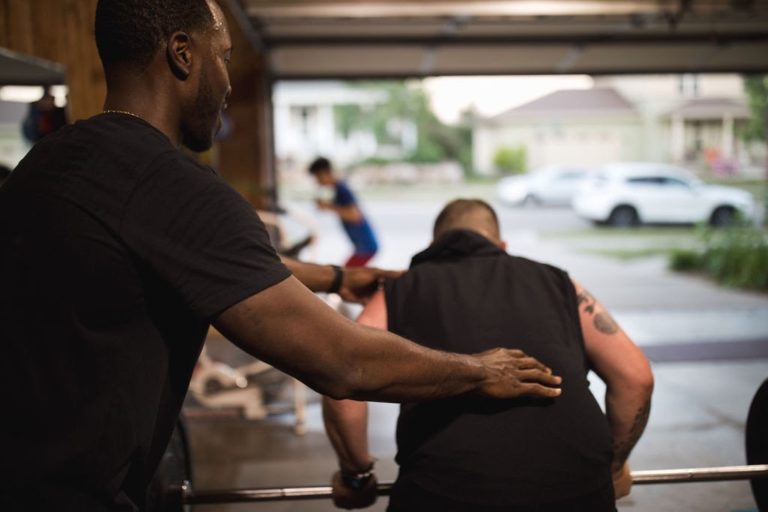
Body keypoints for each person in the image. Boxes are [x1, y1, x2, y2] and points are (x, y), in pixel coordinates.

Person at [0, 3, 563, 511]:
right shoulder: (173, 187)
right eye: (223, 57)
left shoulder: (51, 162)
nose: (227, 84)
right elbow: (342, 361)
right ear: (182, 54)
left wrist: (336, 278)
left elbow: (182, 259)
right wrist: (477, 370)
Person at [323, 199, 654, 511]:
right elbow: (635, 377)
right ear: (502, 245)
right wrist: (612, 467)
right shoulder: (559, 282)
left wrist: (357, 476)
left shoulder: (401, 287)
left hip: (446, 489)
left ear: (434, 244)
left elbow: (347, 374)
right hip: (577, 488)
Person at [309, 157, 379, 267]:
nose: (317, 181)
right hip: (362, 247)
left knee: (345, 274)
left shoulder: (341, 189)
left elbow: (354, 216)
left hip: (365, 247)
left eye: (317, 177)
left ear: (325, 173)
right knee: (347, 273)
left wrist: (328, 206)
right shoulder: (338, 189)